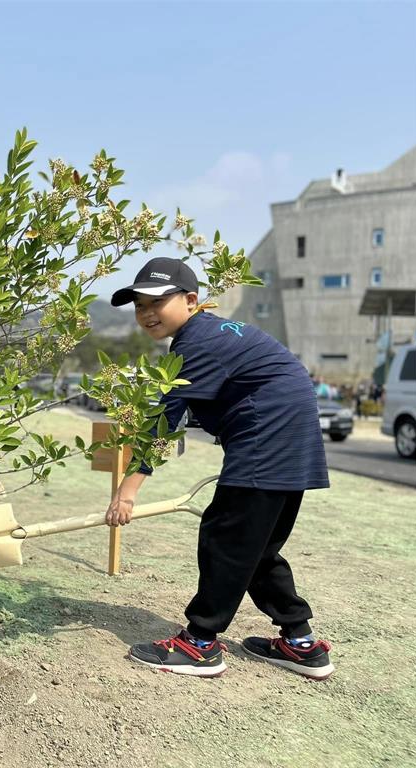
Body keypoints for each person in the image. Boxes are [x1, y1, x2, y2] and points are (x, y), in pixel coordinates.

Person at [104, 257, 333, 680]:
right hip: (292, 438)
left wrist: (128, 490)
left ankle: (200, 644)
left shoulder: (195, 344)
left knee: (225, 539)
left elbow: (164, 422)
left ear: (191, 300)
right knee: (256, 547)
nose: (147, 313)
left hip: (269, 437)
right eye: (138, 305)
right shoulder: (211, 333)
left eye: (157, 301)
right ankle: (301, 644)